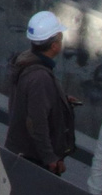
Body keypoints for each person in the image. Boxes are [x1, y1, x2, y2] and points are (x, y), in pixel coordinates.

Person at [5, 12, 78, 172]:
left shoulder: (27, 63)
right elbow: (37, 121)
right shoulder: (40, 77)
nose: (62, 39)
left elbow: (30, 100)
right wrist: (50, 157)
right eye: (60, 37)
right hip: (32, 160)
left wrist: (61, 100)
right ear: (54, 46)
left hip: (21, 152)